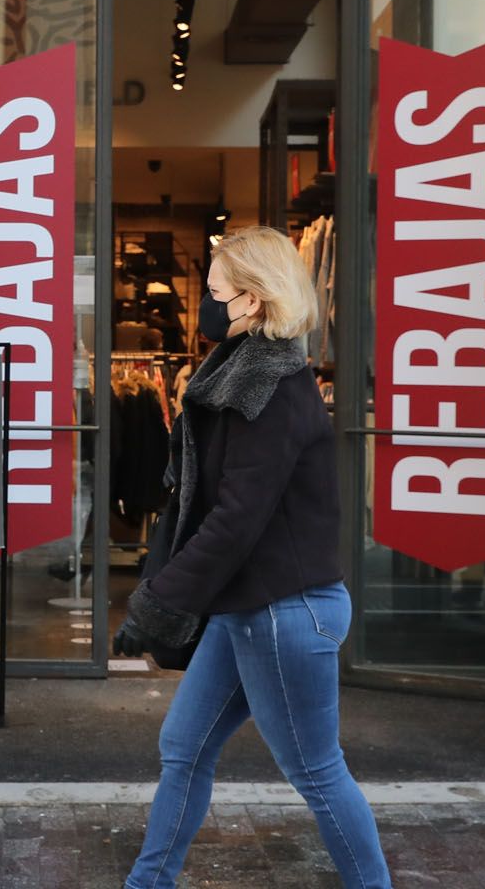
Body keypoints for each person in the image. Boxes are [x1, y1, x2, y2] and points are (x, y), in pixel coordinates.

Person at [113, 228, 391, 889]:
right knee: (184, 748)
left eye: (215, 293)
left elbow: (236, 519)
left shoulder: (268, 389)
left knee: (316, 772)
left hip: (282, 612)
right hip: (250, 609)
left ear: (255, 300)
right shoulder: (242, 374)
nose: (207, 306)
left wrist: (160, 600)